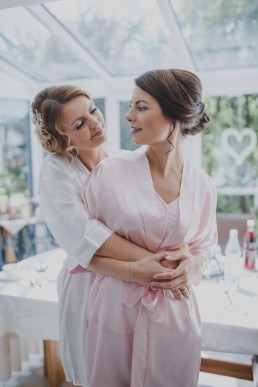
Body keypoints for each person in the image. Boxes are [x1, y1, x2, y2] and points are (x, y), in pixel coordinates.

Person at [31, 85, 191, 387]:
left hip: (140, 287)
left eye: (92, 110)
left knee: (139, 371)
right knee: (97, 375)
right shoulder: (56, 171)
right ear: (60, 138)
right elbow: (86, 233)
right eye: (78, 124)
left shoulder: (123, 159)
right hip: (88, 285)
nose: (94, 123)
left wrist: (175, 260)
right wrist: (154, 265)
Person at [82, 68, 218, 387]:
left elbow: (205, 246)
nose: (129, 116)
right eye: (131, 106)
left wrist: (194, 263)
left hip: (175, 315)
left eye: (141, 107)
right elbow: (82, 249)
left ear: (176, 115)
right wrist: (132, 272)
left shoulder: (203, 186)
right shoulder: (110, 173)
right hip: (116, 313)